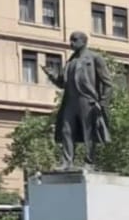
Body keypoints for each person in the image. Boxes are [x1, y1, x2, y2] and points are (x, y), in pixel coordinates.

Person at [44, 31, 112, 169]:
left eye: (74, 40)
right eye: (70, 40)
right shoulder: (70, 61)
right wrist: (52, 76)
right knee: (66, 131)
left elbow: (108, 82)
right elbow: (63, 83)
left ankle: (89, 162)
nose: (71, 43)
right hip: (70, 101)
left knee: (89, 131)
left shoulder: (94, 58)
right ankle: (67, 162)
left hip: (86, 100)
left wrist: (103, 102)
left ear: (84, 41)